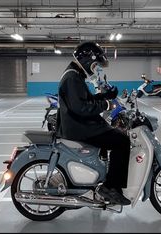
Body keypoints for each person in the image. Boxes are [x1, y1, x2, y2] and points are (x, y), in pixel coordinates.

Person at [57, 41, 131, 206]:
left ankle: (103, 177)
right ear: (87, 60)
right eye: (96, 63)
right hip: (79, 127)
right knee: (122, 141)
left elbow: (85, 100)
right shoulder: (72, 77)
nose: (96, 67)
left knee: (113, 134)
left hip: (79, 124)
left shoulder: (74, 74)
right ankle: (110, 187)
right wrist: (106, 104)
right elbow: (81, 108)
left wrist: (106, 97)